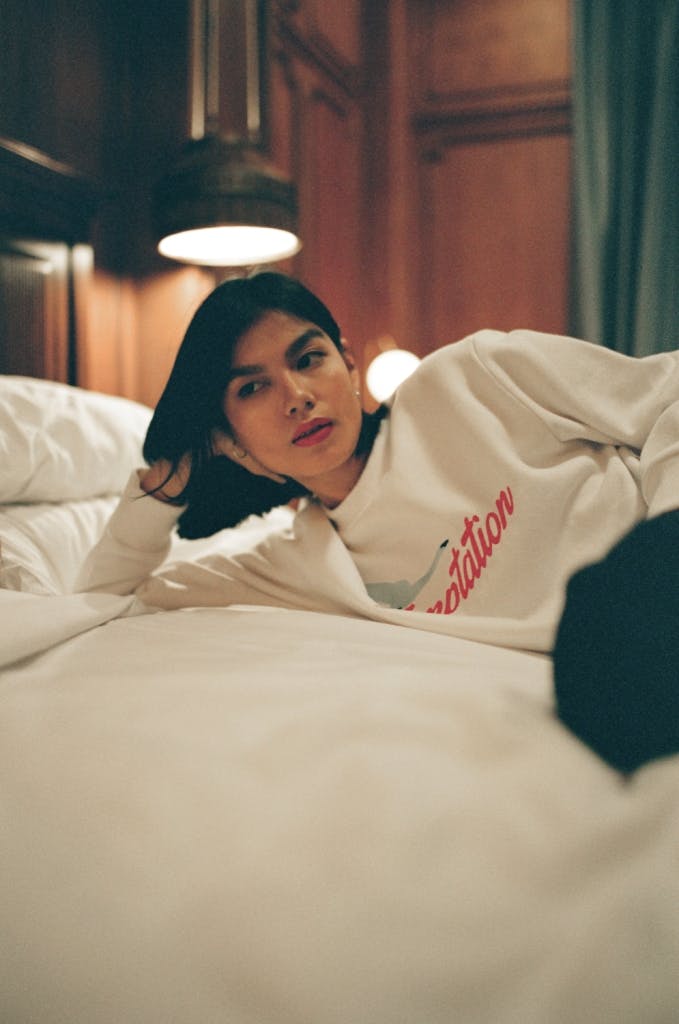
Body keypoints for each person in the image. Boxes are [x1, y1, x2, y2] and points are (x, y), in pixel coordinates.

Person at [76, 271, 679, 772]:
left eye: (309, 359)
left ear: (347, 362)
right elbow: (104, 601)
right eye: (253, 388)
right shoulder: (295, 570)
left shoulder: (472, 377)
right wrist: (164, 488)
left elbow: (665, 395)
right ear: (232, 440)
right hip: (620, 683)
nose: (296, 395)